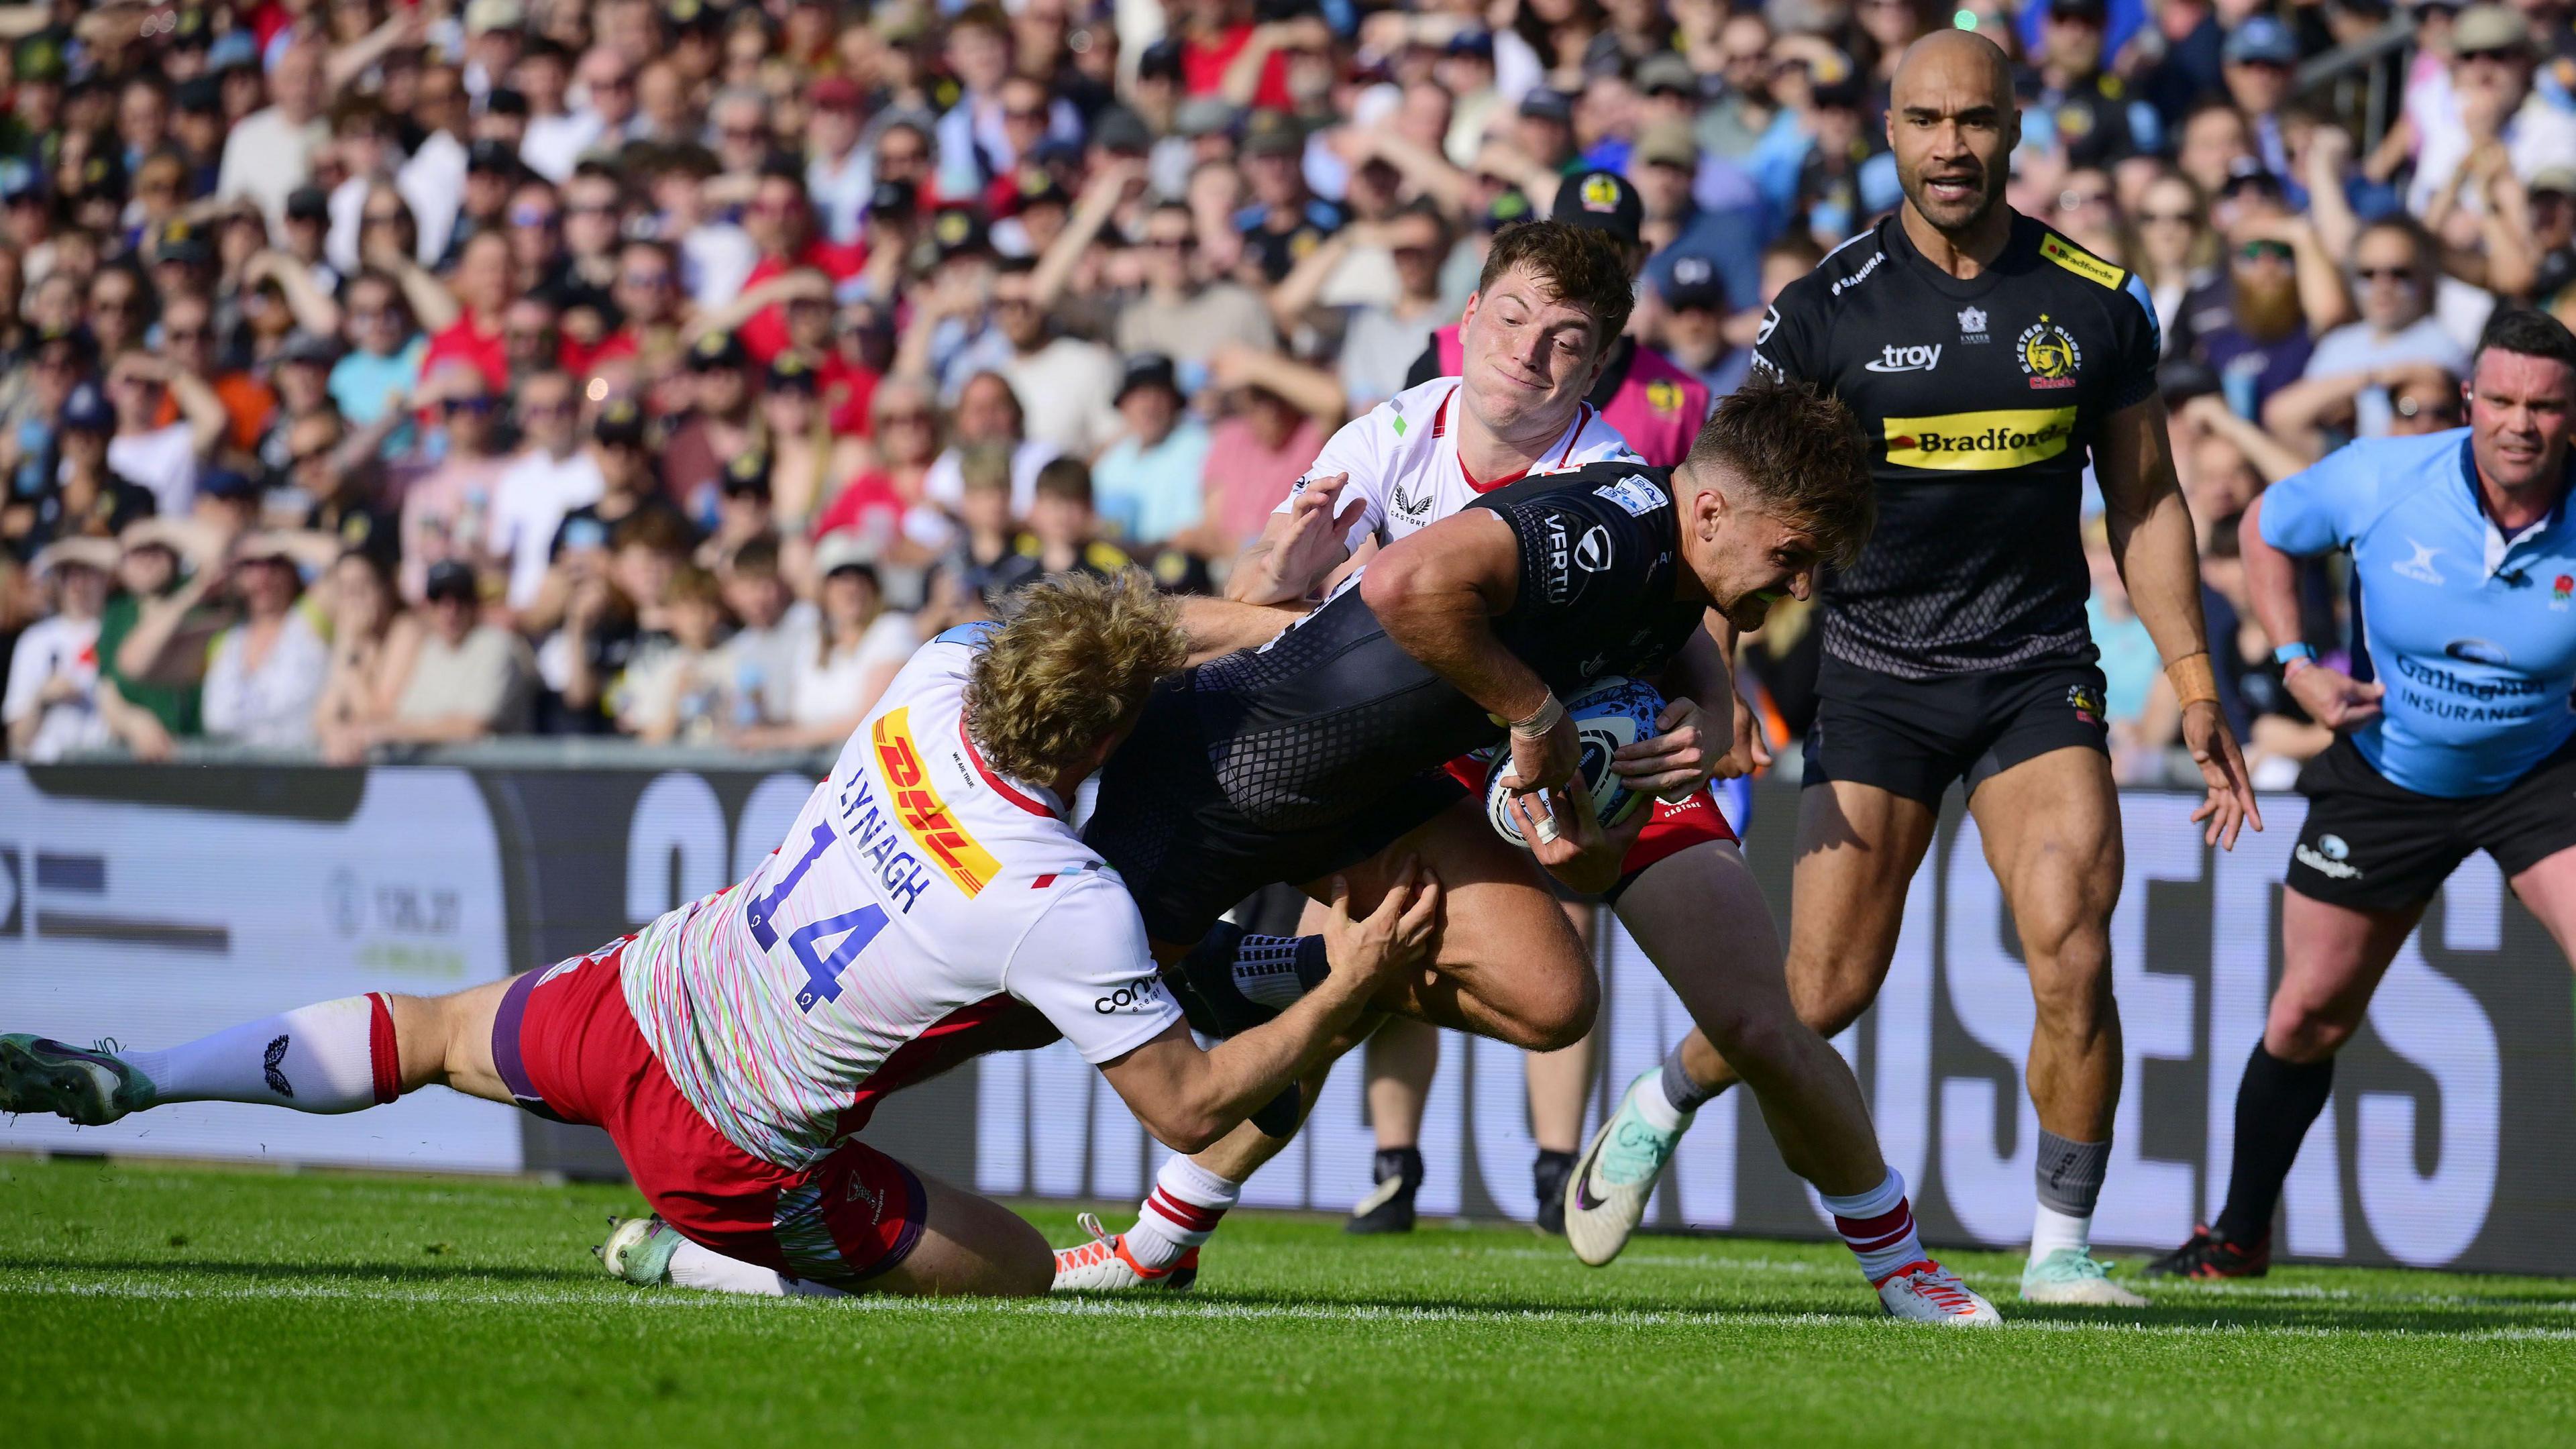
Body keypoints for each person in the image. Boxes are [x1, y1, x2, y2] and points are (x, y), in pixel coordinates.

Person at [1, 574, 1440, 1303]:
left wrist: (1294, 619)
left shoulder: (933, 676)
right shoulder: (1057, 894)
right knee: (1018, 1277)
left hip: (649, 988)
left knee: (429, 1032)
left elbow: (1087, 630)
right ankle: (704, 1264)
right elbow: (1187, 1100)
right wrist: (1355, 986)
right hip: (732, 1152)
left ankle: (142, 1074)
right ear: (1109, 732)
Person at [1560, 32, 2259, 1309]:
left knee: (2075, 947)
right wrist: (1719, 684)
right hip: (1874, 669)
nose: (1954, 147)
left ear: (2015, 128)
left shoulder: (2094, 298)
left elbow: (2149, 500)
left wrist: (2196, 679)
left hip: (2036, 666)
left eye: (1977, 122)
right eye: (1927, 121)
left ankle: (2059, 1251)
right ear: (1889, 131)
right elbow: (1720, 512)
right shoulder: (1825, 312)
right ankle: (1664, 1098)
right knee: (1820, 992)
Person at [1061, 376, 1998, 1324]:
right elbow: (1393, 585)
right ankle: (1159, 1205)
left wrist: (1605, 813)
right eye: (1794, 556)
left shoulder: (1675, 556)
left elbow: (1603, 826)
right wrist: (1538, 713)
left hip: (1386, 786)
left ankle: (1904, 1267)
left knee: (1558, 1000)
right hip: (1250, 769)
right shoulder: (1607, 519)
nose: (1803, 587)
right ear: (1710, 510)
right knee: (1055, 1016)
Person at [2149, 309, 2576, 1280]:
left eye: (2546, 407)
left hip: (2542, 775)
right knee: (2307, 1018)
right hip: (2387, 776)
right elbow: (2266, 526)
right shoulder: (2387, 476)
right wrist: (2298, 663)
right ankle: (2238, 1237)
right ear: (2470, 401)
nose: (2521, 424)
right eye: (2502, 399)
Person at [1404, 172, 1711, 468]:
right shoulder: (1449, 354)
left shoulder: (1683, 403)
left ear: (1641, 257)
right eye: (1573, 242)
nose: (1591, 261)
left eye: (1611, 246)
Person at [3, 535, 117, 760]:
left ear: (104, 578)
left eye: (86, 572)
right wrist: (43, 700)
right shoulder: (34, 641)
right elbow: (17, 739)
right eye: (67, 573)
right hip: (48, 775)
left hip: (107, 768)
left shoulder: (117, 631)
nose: (77, 584)